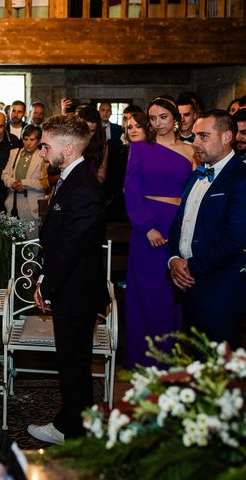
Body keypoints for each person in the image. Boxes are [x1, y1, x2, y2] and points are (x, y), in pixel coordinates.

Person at [30, 113, 106, 445]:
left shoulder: (85, 186)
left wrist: (47, 285)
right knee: (71, 362)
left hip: (76, 290)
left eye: (46, 145)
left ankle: (73, 433)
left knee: (74, 364)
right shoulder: (71, 179)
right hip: (70, 286)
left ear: (69, 146)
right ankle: (71, 422)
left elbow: (72, 246)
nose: (42, 152)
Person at [123, 96, 195, 368]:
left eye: (162, 117)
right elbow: (131, 191)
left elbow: (195, 192)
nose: (157, 123)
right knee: (148, 292)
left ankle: (171, 358)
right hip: (148, 228)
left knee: (173, 292)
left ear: (175, 118)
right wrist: (146, 227)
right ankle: (144, 359)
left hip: (178, 225)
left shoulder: (191, 151)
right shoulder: (140, 149)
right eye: (152, 119)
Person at [169, 111, 246, 347]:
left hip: (220, 291)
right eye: (195, 136)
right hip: (189, 289)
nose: (195, 142)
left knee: (216, 373)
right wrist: (173, 260)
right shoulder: (195, 176)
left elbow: (236, 239)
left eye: (203, 136)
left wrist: (190, 267)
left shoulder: (241, 177)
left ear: (227, 137)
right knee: (191, 366)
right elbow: (178, 225)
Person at [105, 110, 151, 222]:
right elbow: (110, 181)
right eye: (130, 127)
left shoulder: (155, 153)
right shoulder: (117, 152)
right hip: (119, 208)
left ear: (147, 128)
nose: (133, 131)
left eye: (138, 126)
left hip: (146, 208)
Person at [1, 124, 49, 221]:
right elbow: (4, 174)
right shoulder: (14, 153)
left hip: (33, 205)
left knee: (32, 236)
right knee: (11, 235)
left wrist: (23, 183)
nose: (28, 143)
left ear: (39, 141)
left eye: (32, 140)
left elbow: (45, 184)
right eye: (25, 139)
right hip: (13, 202)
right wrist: (12, 183)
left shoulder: (43, 157)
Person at [76, 104, 108, 184]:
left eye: (92, 131)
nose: (88, 134)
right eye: (85, 130)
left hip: (91, 190)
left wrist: (88, 180)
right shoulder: (69, 143)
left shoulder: (102, 146)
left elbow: (101, 177)